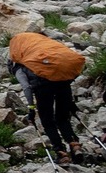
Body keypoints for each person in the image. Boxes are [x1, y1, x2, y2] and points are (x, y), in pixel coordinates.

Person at [8, 31, 87, 161]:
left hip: (43, 87)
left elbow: (27, 88)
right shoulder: (49, 53)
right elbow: (68, 75)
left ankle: (60, 152)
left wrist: (31, 108)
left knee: (47, 120)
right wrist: (70, 102)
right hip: (63, 83)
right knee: (63, 117)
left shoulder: (20, 65)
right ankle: (74, 144)